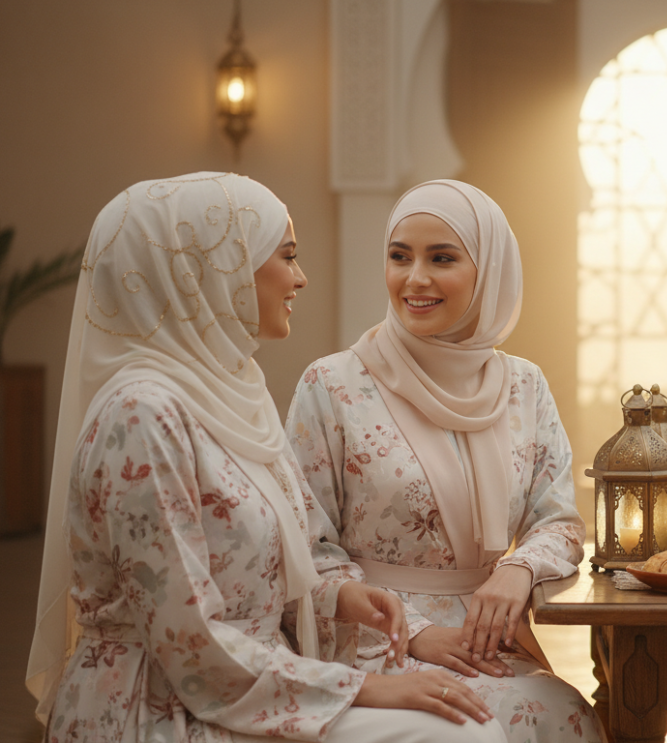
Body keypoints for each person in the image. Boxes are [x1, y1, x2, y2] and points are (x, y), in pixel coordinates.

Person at [25, 172, 506, 743]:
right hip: (165, 706)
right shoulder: (141, 417)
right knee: (462, 734)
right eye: (287, 255)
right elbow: (186, 641)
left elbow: (283, 550)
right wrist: (363, 687)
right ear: (211, 267)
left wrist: (344, 596)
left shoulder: (232, 394)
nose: (300, 278)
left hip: (258, 681)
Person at [285, 180, 603, 743]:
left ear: (489, 272)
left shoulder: (524, 386)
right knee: (478, 725)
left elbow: (557, 522)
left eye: (443, 258)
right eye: (399, 256)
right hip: (370, 644)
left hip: (490, 641)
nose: (415, 279)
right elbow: (303, 550)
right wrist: (413, 634)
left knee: (563, 713)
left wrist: (517, 569)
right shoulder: (332, 384)